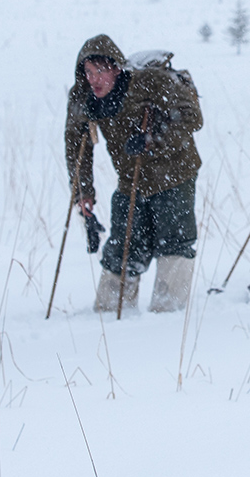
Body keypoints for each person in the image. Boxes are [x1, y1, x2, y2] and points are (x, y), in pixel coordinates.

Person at [65, 36, 203, 313]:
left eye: (100, 71)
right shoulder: (83, 97)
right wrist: (82, 193)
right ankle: (111, 312)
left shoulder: (150, 82)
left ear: (117, 68)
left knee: (174, 241)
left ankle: (169, 312)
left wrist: (153, 138)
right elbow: (76, 145)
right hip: (131, 179)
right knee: (123, 245)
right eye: (89, 72)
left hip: (174, 172)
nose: (95, 79)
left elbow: (192, 118)